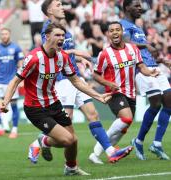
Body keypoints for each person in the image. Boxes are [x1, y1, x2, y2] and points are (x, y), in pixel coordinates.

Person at [0, 22, 127, 176]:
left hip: (54, 104)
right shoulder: (34, 57)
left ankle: (71, 168)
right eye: (57, 35)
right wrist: (5, 100)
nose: (62, 39)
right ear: (47, 37)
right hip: (35, 108)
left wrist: (98, 96)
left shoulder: (63, 57)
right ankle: (43, 141)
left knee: (73, 140)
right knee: (67, 140)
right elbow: (15, 80)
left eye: (63, 36)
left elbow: (76, 81)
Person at [27, 0, 133, 168]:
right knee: (66, 123)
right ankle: (40, 141)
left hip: (75, 77)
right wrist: (77, 52)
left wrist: (80, 58)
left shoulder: (63, 28)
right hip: (63, 80)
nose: (62, 7)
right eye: (59, 5)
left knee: (93, 115)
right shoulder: (47, 29)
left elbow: (65, 55)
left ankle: (110, 152)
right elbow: (53, 52)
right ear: (49, 10)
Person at [88, 21, 159, 164]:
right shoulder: (105, 53)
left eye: (117, 30)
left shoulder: (133, 49)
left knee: (124, 126)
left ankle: (95, 154)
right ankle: (110, 150)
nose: (114, 32)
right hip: (114, 92)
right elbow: (95, 75)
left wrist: (150, 73)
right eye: (111, 30)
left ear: (122, 32)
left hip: (131, 92)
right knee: (126, 118)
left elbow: (141, 67)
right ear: (108, 34)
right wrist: (108, 83)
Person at [120, 0, 171, 160]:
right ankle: (139, 141)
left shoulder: (139, 28)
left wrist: (161, 60)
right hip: (141, 69)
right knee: (155, 103)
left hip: (154, 66)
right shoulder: (123, 24)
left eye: (140, 5)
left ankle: (156, 143)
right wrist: (146, 46)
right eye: (136, 5)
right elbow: (124, 42)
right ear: (127, 7)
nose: (140, 8)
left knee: (169, 101)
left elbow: (145, 50)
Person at [0, 27, 24, 138]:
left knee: (13, 106)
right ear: (0, 36)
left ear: (9, 34)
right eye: (2, 34)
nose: (4, 36)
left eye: (6, 34)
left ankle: (14, 130)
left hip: (11, 82)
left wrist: (20, 79)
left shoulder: (16, 48)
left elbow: (20, 64)